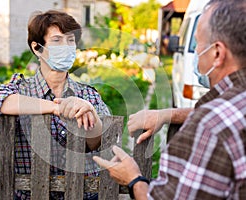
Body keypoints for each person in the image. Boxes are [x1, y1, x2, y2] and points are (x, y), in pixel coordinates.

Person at [93, 0, 246, 199]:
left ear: (217, 53)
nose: (196, 53)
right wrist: (168, 114)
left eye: (198, 42)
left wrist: (133, 179)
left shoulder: (209, 125)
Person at [0, 10, 110, 200]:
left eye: (71, 40)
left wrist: (89, 112)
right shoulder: (21, 89)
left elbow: (99, 141)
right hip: (29, 194)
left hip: (81, 195)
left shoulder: (87, 94)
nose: (66, 47)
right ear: (37, 48)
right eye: (57, 40)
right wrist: (55, 107)